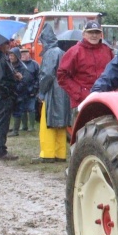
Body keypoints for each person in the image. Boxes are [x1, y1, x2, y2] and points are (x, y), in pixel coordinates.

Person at [56, 20, 113, 121]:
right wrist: (80, 93)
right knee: (82, 134)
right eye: (90, 32)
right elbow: (62, 76)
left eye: (97, 32)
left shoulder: (107, 51)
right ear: (84, 34)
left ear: (101, 34)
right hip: (82, 102)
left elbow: (115, 72)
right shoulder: (74, 51)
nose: (94, 35)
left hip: (105, 101)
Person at [35, 25, 72, 163]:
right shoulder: (62, 52)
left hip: (52, 92)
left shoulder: (50, 53)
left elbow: (47, 74)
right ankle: (60, 153)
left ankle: (48, 154)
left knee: (48, 124)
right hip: (63, 91)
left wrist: (41, 92)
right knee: (61, 125)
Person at [7, 47, 31, 137]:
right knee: (9, 111)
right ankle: (10, 128)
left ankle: (15, 131)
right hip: (11, 92)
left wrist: (17, 89)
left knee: (17, 111)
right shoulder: (9, 65)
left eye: (12, 55)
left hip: (19, 93)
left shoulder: (23, 68)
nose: (10, 57)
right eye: (9, 55)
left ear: (17, 56)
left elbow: (25, 81)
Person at [18, 47, 40, 133]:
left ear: (28, 55)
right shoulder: (18, 65)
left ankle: (32, 126)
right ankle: (24, 126)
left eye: (24, 54)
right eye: (21, 55)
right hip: (21, 90)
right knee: (22, 109)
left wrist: (35, 89)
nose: (23, 56)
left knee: (31, 108)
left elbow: (38, 77)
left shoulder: (35, 64)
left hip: (31, 90)